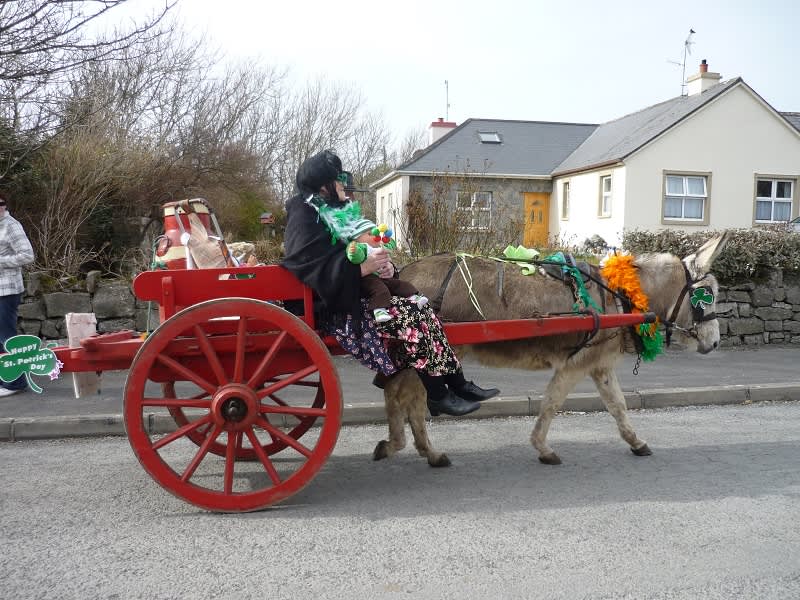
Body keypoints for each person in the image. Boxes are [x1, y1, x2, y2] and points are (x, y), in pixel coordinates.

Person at [282, 150, 500, 417]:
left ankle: (458, 383)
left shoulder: (336, 212)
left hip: (357, 296)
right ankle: (438, 395)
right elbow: (310, 267)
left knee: (422, 308)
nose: (343, 185)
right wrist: (362, 269)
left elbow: (356, 252)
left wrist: (383, 267)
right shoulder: (305, 215)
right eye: (337, 180)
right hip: (334, 309)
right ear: (323, 187)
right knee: (410, 317)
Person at [0, 191, 34, 397]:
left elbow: (27, 255)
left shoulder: (11, 226)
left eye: (1, 204)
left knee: (6, 337)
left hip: (7, 290)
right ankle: (6, 378)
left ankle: (16, 383)